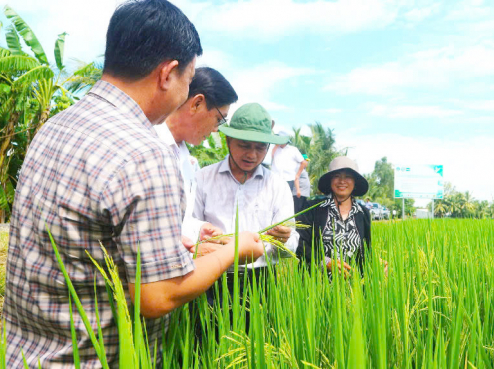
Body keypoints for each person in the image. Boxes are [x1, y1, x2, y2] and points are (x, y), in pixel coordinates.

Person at [3, 1, 263, 367]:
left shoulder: (55, 127)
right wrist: (232, 251)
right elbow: (157, 297)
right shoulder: (144, 153)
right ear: (168, 74)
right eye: (188, 80)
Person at [193, 103, 297, 310]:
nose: (252, 155)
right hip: (211, 276)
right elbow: (189, 228)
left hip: (260, 282)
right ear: (228, 140)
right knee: (207, 338)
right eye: (244, 145)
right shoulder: (203, 178)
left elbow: (292, 244)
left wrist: (284, 240)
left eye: (260, 148)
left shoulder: (277, 185)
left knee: (260, 341)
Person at [154, 67, 237, 243]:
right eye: (218, 119)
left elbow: (178, 221)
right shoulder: (149, 146)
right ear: (197, 103)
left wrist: (199, 229)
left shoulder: (189, 162)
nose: (216, 129)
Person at [296, 156, 372, 276]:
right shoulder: (312, 209)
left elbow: (366, 249)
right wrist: (324, 262)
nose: (342, 181)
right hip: (317, 284)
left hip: (353, 285)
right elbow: (299, 242)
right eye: (337, 176)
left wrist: (376, 264)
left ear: (355, 182)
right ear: (330, 181)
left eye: (348, 176)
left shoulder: (362, 213)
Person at [271, 133, 309, 213]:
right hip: (275, 178)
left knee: (286, 202)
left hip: (289, 179)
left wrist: (297, 175)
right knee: (275, 201)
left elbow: (304, 162)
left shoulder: (293, 149)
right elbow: (270, 157)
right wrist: (276, 146)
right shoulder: (274, 149)